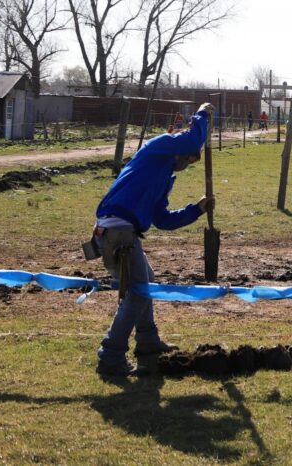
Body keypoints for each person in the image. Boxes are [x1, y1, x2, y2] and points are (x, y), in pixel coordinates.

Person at [93, 103, 216, 377]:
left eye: (193, 161)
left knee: (146, 284)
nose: (188, 163)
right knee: (138, 292)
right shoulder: (157, 147)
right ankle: (111, 355)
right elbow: (195, 137)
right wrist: (204, 113)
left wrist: (196, 210)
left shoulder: (163, 178)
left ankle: (147, 341)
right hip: (117, 230)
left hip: (125, 232)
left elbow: (162, 220)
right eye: (190, 157)